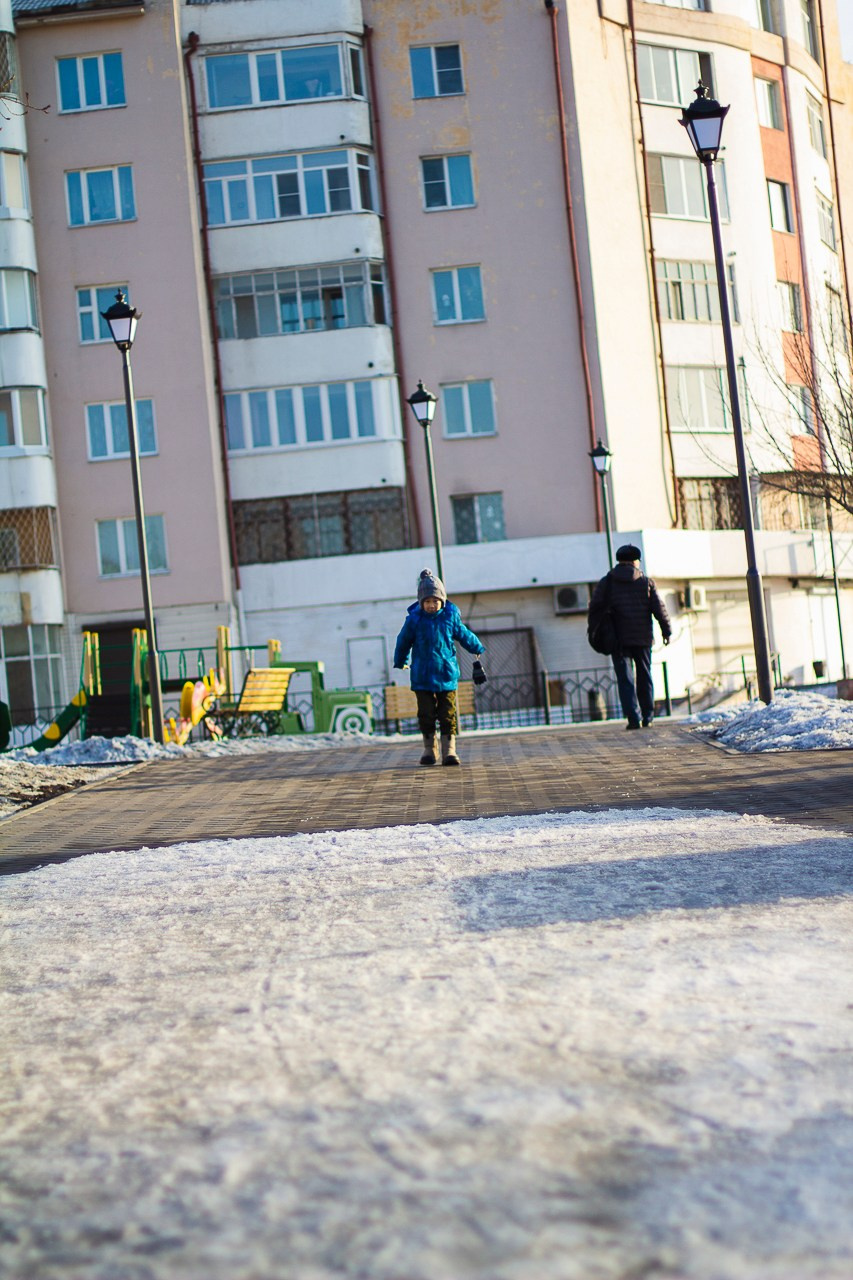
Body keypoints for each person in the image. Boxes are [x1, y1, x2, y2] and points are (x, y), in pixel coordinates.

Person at [393, 568, 485, 766]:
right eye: (427, 601)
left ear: (442, 601)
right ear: (421, 602)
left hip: (446, 674)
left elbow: (463, 634)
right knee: (426, 714)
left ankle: (449, 751)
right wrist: (400, 660)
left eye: (435, 601)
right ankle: (429, 750)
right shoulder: (414, 621)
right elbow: (403, 641)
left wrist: (476, 647)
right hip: (422, 676)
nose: (432, 605)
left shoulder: (450, 618)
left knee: (448, 714)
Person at [588, 543, 671, 730]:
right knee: (644, 676)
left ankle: (633, 718)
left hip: (617, 640)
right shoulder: (646, 583)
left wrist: (597, 632)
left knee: (625, 679)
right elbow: (659, 609)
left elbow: (594, 608)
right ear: (635, 561)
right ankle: (648, 716)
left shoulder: (607, 582)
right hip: (642, 638)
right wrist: (666, 631)